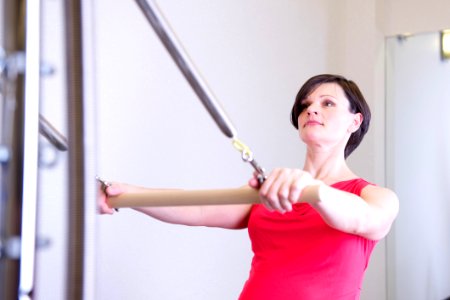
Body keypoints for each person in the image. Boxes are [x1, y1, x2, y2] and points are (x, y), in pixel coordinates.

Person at [98, 74, 399, 299]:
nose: (311, 110)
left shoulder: (374, 196)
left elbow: (362, 218)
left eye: (327, 103)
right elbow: (199, 207)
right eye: (305, 105)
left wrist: (312, 188)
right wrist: (122, 193)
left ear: (355, 121)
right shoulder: (272, 191)